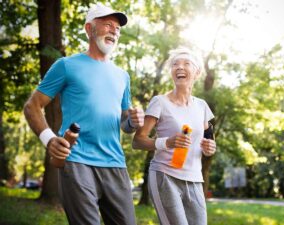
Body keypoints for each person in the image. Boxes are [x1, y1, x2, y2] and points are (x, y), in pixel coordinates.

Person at [24, 3, 144, 225]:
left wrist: (133, 122)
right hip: (77, 161)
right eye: (107, 25)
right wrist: (49, 139)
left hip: (115, 163)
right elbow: (32, 106)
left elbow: (125, 124)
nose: (113, 32)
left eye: (117, 29)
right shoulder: (66, 65)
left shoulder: (122, 76)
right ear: (89, 29)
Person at [133, 47, 216, 225]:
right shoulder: (159, 102)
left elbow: (209, 140)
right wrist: (167, 142)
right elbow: (138, 141)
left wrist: (210, 148)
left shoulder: (202, 106)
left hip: (194, 179)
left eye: (186, 63)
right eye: (175, 64)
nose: (179, 67)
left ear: (197, 72)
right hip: (165, 176)